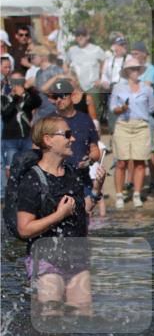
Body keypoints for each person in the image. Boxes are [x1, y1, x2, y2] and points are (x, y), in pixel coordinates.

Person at [15, 116, 105, 316]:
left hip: (76, 257)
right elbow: (24, 229)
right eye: (66, 134)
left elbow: (82, 211)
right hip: (46, 259)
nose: (72, 139)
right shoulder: (31, 180)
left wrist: (96, 191)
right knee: (51, 314)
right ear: (48, 140)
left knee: (83, 316)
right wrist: (58, 215)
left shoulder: (71, 173)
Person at [109, 57, 154, 209]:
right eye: (132, 69)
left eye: (137, 68)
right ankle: (119, 195)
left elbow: (151, 108)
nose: (134, 71)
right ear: (126, 72)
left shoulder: (147, 89)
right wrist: (121, 109)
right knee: (121, 161)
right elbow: (112, 108)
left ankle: (136, 194)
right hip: (123, 124)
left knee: (140, 162)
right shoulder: (118, 88)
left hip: (141, 125)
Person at [1, 72, 40, 200]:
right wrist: (16, 97)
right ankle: (12, 197)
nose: (17, 85)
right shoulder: (4, 97)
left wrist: (29, 88)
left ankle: (28, 195)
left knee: (29, 167)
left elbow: (37, 102)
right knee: (12, 170)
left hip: (26, 138)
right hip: (10, 139)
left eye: (19, 81)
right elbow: (6, 113)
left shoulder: (27, 97)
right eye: (14, 81)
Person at [65, 28, 104, 93]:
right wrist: (69, 76)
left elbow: (106, 63)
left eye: (83, 35)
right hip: (77, 89)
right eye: (77, 35)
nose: (80, 37)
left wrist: (101, 79)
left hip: (93, 88)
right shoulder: (72, 50)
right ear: (75, 38)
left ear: (87, 36)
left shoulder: (97, 49)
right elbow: (65, 64)